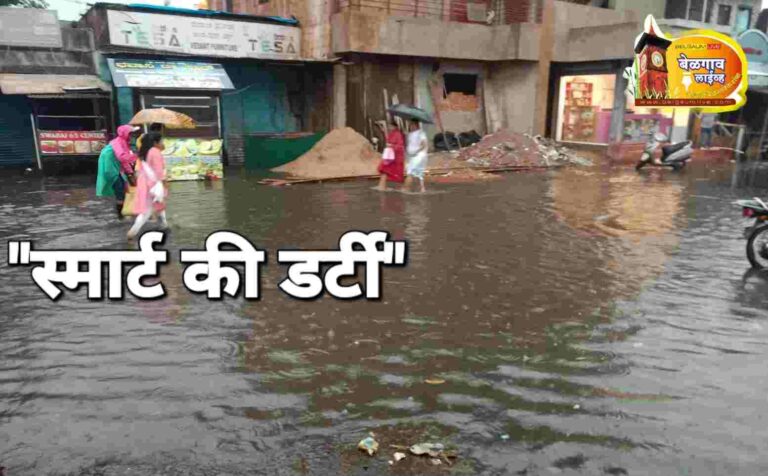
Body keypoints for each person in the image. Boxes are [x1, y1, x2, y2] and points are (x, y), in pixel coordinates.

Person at [127, 132, 167, 239]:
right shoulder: (155, 152)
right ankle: (133, 232)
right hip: (153, 183)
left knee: (159, 204)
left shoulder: (144, 152)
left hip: (144, 182)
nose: (162, 142)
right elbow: (159, 171)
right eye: (161, 140)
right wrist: (163, 182)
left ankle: (164, 224)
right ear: (155, 142)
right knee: (147, 210)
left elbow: (139, 170)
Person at [95, 124, 139, 218]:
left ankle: (122, 213)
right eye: (130, 134)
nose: (132, 136)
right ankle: (121, 216)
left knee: (123, 188)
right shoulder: (118, 142)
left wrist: (130, 172)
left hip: (115, 167)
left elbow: (124, 161)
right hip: (109, 167)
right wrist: (136, 156)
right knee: (120, 189)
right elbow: (122, 157)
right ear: (125, 134)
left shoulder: (124, 143)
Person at [376, 120, 405, 191]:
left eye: (391, 126)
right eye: (389, 126)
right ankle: (382, 186)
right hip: (390, 156)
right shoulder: (392, 133)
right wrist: (382, 127)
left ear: (395, 126)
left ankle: (382, 187)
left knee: (386, 170)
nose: (389, 127)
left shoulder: (398, 134)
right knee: (385, 170)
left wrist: (392, 146)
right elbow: (388, 139)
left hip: (395, 157)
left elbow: (400, 146)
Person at [405, 119, 428, 193]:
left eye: (412, 124)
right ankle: (422, 188)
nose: (411, 126)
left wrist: (416, 151)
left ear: (416, 125)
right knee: (418, 172)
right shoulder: (410, 134)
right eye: (410, 124)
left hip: (419, 155)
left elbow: (424, 144)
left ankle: (406, 189)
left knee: (410, 172)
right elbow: (410, 144)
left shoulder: (421, 133)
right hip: (411, 156)